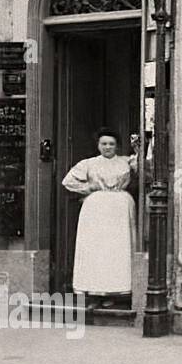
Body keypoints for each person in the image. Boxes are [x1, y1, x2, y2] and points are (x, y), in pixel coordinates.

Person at [61, 127, 138, 298]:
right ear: (98, 145)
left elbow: (143, 171)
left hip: (120, 206)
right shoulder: (89, 163)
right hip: (96, 207)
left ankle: (118, 289)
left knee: (117, 247)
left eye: (111, 144)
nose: (107, 147)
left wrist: (138, 151)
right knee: (97, 246)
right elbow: (67, 181)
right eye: (104, 143)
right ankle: (95, 289)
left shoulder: (126, 161)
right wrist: (88, 187)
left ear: (117, 146)